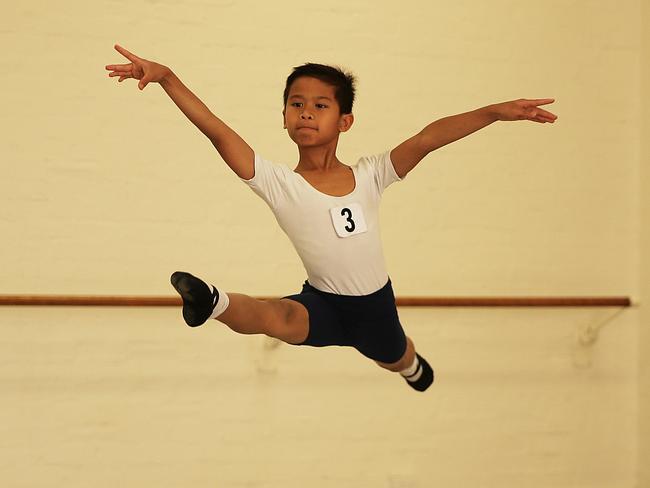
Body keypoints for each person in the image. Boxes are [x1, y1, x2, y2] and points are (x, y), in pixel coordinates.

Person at [105, 44, 557, 392]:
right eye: (296, 104)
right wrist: (167, 79)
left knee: (396, 357)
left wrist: (494, 113)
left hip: (375, 311)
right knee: (276, 317)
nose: (306, 112)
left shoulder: (372, 174)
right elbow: (218, 131)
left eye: (321, 105)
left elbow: (427, 139)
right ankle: (210, 300)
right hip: (322, 303)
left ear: (345, 121)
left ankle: (412, 369)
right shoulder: (279, 183)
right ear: (283, 117)